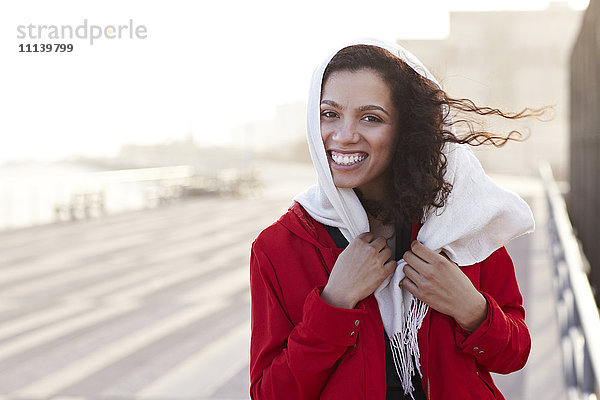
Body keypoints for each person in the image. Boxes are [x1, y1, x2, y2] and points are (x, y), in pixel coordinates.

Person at [250, 38, 546, 400]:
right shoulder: (279, 246)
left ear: (405, 128)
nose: (344, 136)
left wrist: (472, 309)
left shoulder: (461, 223)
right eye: (330, 114)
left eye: (371, 118)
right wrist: (335, 302)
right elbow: (271, 393)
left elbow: (513, 354)